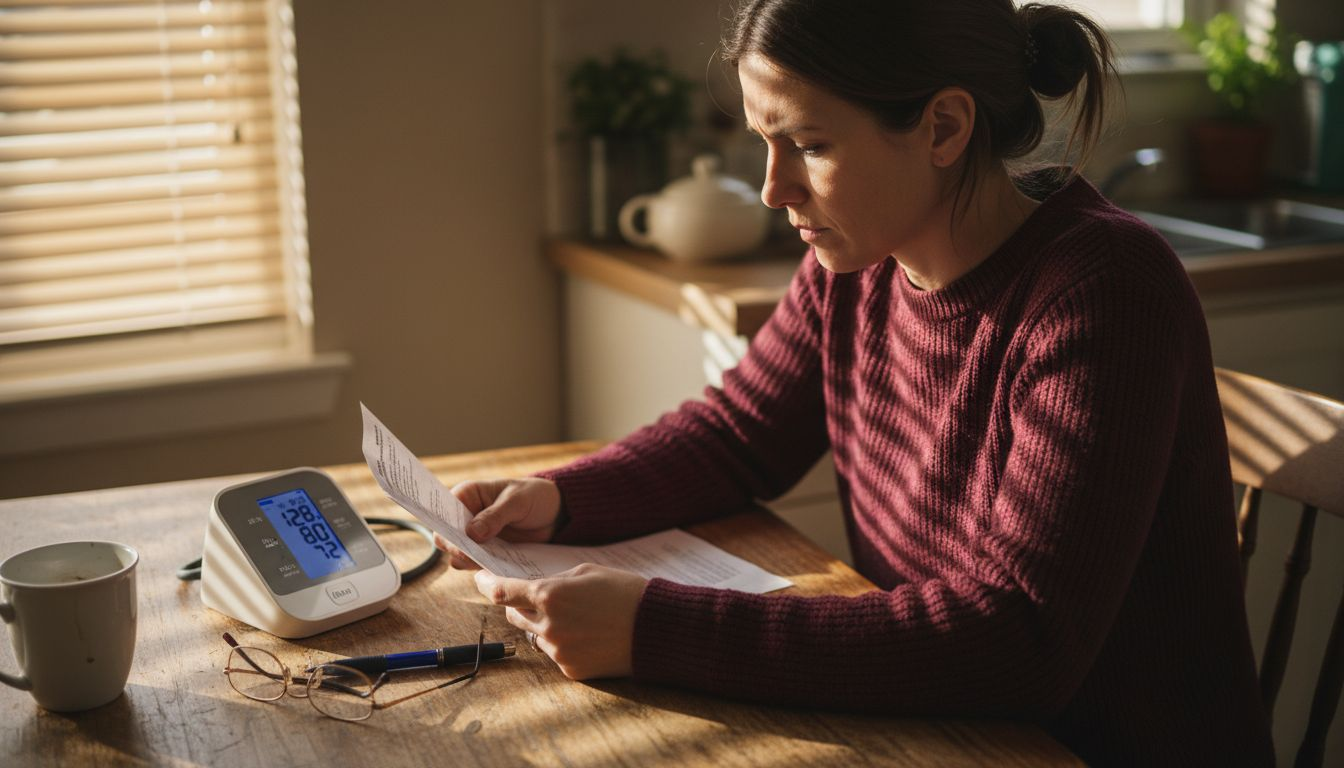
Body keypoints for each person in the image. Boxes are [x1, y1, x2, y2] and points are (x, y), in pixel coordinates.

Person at [436, 1, 1274, 764]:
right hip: (937, 732)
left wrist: (653, 628)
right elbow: (739, 435)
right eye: (766, 143)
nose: (774, 189)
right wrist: (558, 496)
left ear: (944, 127)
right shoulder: (858, 257)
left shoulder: (1103, 292)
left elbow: (1020, 639)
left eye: (809, 145)